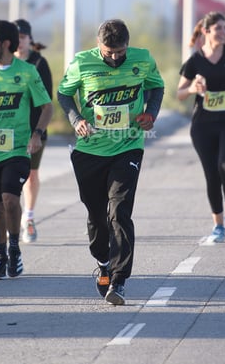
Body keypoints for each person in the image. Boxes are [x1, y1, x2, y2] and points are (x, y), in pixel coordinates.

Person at [57, 19, 165, 305]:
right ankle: (103, 261)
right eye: (109, 53)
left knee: (119, 211)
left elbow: (156, 87)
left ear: (128, 45)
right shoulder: (81, 63)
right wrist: (76, 119)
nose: (115, 58)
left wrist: (150, 112)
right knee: (96, 215)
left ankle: (119, 280)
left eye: (120, 52)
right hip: (90, 150)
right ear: (98, 45)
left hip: (128, 146)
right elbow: (64, 94)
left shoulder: (143, 59)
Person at [0, 20, 53, 280]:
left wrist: (37, 134)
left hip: (18, 148)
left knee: (10, 198)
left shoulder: (28, 71)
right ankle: (1, 254)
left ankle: (15, 248)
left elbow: (46, 107)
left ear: (5, 44)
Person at [176, 12, 225, 243]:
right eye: (218, 28)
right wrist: (193, 90)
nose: (222, 32)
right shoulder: (195, 60)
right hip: (203, 125)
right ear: (206, 31)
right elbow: (179, 93)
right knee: (211, 174)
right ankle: (218, 225)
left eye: (224, 28)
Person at [13, 18, 54, 243]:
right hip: (8, 132)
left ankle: (28, 218)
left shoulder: (39, 63)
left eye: (22, 37)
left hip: (34, 129)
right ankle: (12, 218)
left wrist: (37, 132)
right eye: (15, 37)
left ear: (29, 39)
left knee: (30, 173)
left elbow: (46, 101)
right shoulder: (3, 63)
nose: (19, 42)